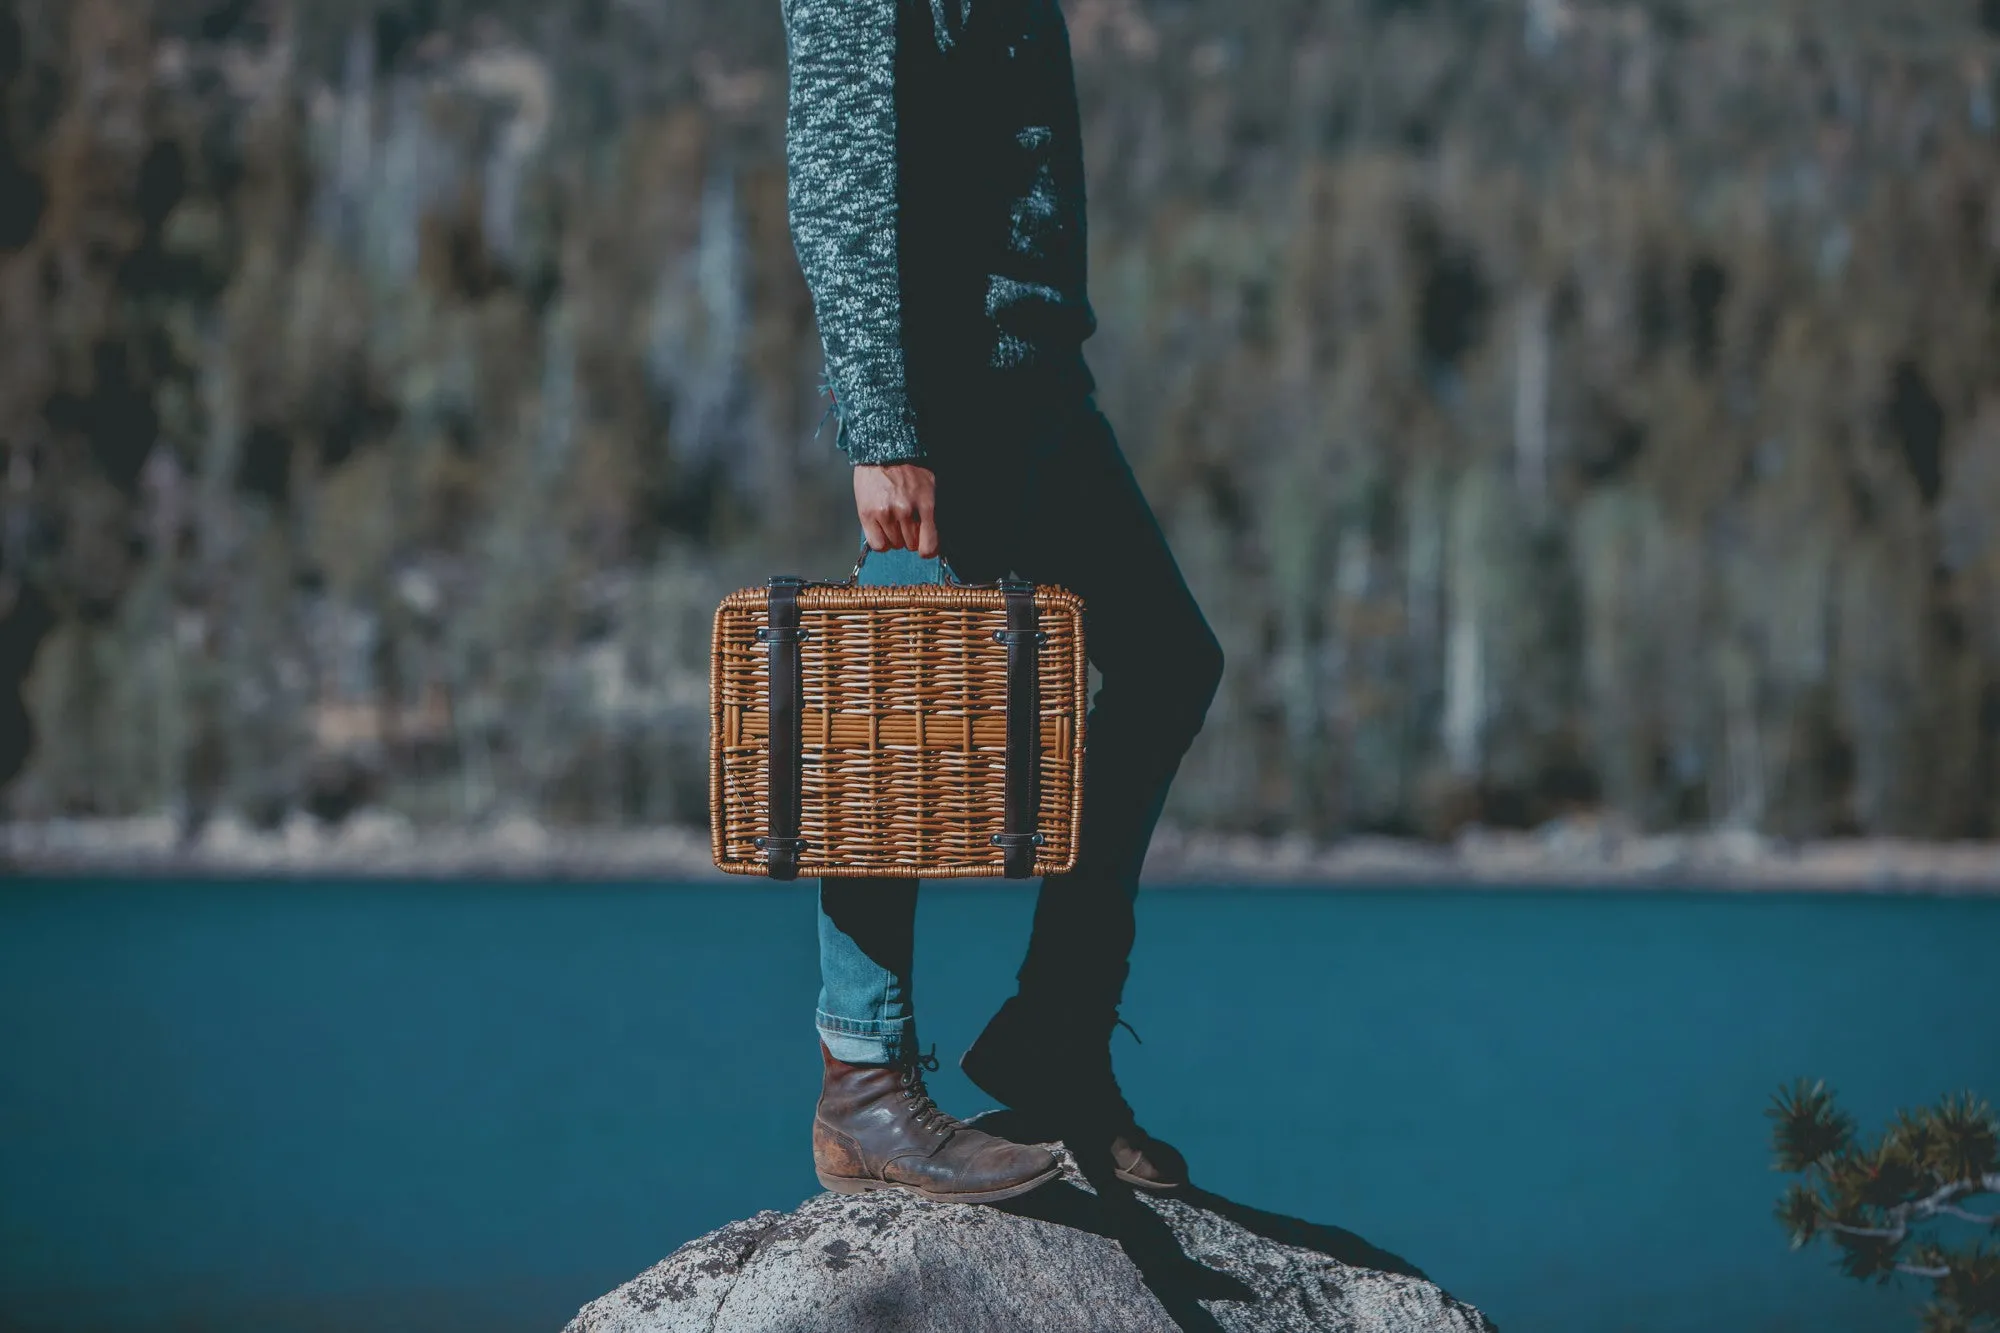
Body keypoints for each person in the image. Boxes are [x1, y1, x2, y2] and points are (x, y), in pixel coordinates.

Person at [781, 0, 1224, 1204]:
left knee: (1168, 660)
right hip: (940, 395)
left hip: (1034, 384)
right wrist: (881, 427)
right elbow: (835, 171)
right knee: (894, 716)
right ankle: (863, 1081)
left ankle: (1054, 1036)